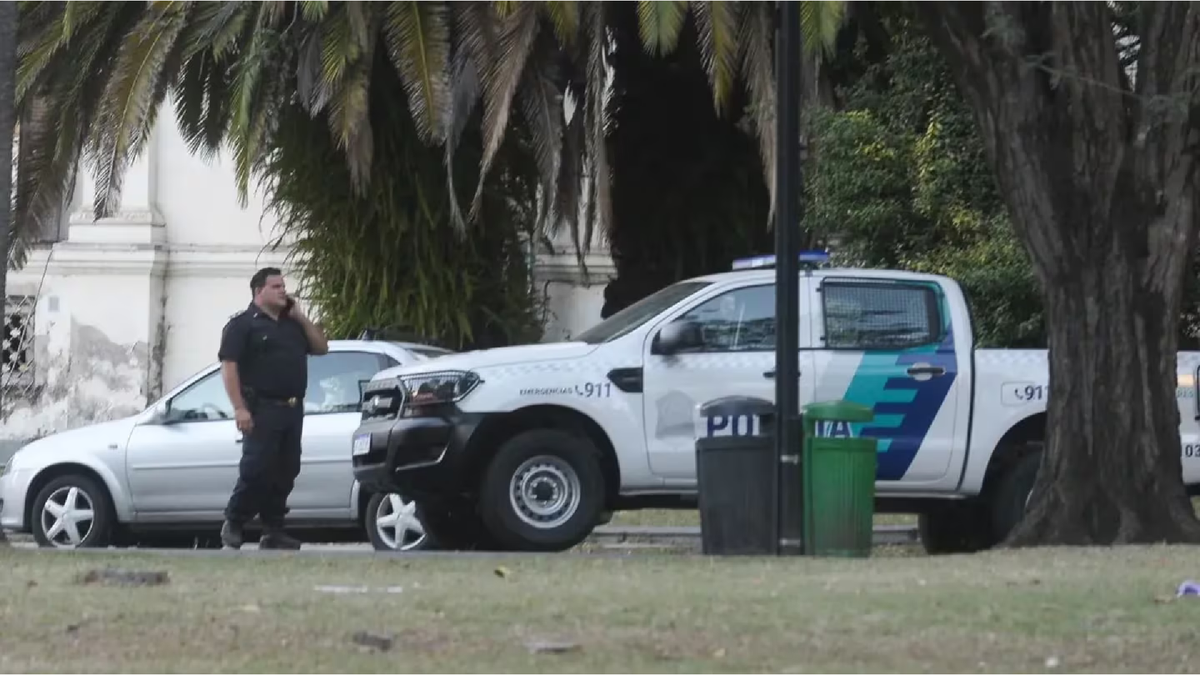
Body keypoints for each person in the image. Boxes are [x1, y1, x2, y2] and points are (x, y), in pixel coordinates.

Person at [217, 267, 329, 550]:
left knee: (286, 469)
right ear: (259, 292)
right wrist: (239, 408)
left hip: (292, 408)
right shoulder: (242, 325)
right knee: (256, 469)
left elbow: (321, 347)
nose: (283, 291)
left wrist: (300, 316)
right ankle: (234, 521)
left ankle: (273, 530)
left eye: (283, 286)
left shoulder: (292, 325)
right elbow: (229, 367)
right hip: (261, 409)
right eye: (276, 286)